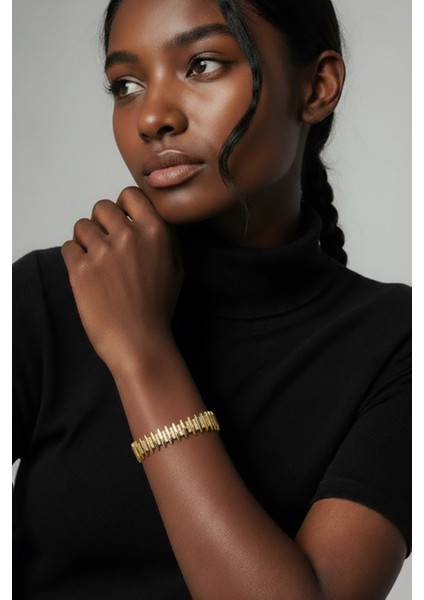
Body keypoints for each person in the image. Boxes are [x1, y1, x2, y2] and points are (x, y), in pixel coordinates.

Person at [13, 0, 411, 598]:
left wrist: (142, 353)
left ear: (317, 87)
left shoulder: (398, 346)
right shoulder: (53, 293)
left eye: (202, 64)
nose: (153, 117)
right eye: (126, 85)